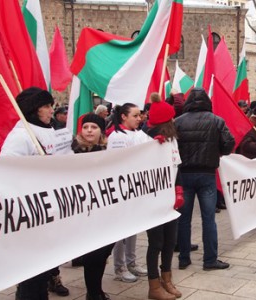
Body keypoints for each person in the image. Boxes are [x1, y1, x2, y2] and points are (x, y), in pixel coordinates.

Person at [0, 87, 72, 298]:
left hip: (52, 209)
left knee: (45, 269)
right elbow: (7, 172)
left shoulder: (51, 130)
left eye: (51, 105)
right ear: (33, 109)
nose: (52, 110)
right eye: (47, 106)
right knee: (32, 275)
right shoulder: (21, 136)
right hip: (32, 213)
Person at [175, 88, 235, 271]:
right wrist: (218, 151)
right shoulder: (216, 120)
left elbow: (171, 147)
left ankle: (184, 258)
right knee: (208, 218)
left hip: (184, 174)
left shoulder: (177, 122)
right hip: (207, 173)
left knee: (183, 219)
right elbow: (229, 143)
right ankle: (210, 260)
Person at [144, 97, 185, 299]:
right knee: (156, 243)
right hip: (153, 200)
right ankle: (154, 286)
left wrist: (178, 190)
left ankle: (167, 279)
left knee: (170, 240)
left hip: (170, 198)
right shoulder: (146, 141)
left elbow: (176, 166)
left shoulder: (172, 139)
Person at [71, 113, 115, 300]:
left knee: (104, 251)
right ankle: (94, 292)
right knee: (93, 255)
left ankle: (96, 289)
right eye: (86, 127)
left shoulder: (108, 151)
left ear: (101, 131)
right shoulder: (71, 152)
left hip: (105, 211)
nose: (89, 130)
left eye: (94, 127)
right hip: (82, 212)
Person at [107, 102, 151, 283]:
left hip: (136, 189)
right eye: (135, 115)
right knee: (121, 231)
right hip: (122, 189)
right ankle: (119, 267)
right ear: (123, 117)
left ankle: (131, 262)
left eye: (140, 115)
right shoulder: (117, 137)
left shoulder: (140, 134)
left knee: (133, 228)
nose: (139, 118)